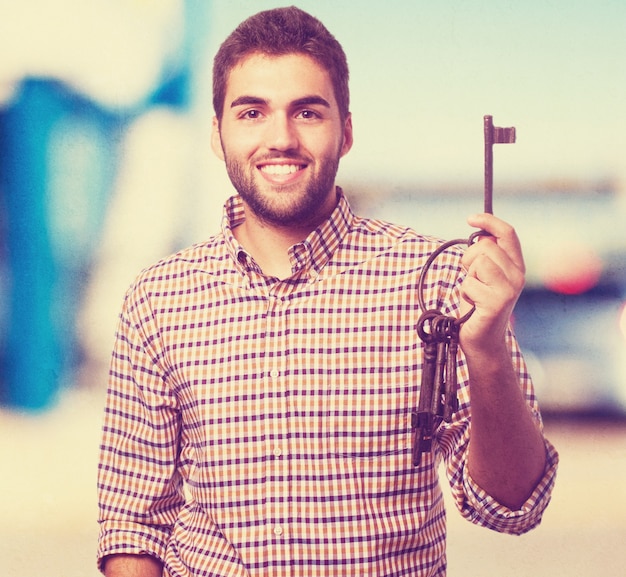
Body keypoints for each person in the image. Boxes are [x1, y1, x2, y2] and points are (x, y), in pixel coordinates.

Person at [97, 6, 558, 576]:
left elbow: (515, 505)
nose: (281, 138)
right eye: (252, 112)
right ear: (217, 134)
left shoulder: (439, 280)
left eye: (308, 112)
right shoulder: (157, 300)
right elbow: (132, 524)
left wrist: (486, 350)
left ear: (347, 131)